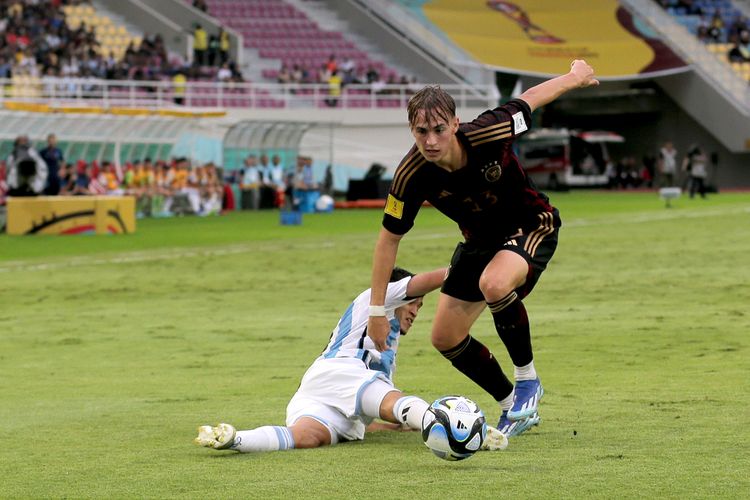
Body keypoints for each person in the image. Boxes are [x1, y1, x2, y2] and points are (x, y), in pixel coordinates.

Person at [366, 59, 599, 437]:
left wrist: (574, 78)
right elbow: (387, 239)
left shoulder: (490, 131)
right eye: (421, 131)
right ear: (411, 130)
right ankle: (512, 406)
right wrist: (378, 311)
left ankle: (528, 380)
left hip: (530, 224)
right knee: (445, 337)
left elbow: (529, 99)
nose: (430, 140)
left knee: (494, 284)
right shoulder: (411, 175)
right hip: (479, 243)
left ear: (455, 124)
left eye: (439, 129)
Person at [195, 267, 509, 453]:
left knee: (305, 438)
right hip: (342, 370)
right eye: (414, 304)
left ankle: (234, 438)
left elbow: (370, 404)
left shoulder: (387, 345)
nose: (416, 311)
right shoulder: (380, 296)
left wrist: (388, 427)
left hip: (322, 390)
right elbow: (424, 280)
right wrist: (471, 268)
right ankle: (468, 433)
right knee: (399, 403)